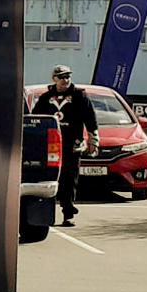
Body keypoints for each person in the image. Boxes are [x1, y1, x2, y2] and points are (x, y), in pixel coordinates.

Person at [31, 64, 99, 227]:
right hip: (49, 148)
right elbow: (35, 119)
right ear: (54, 79)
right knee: (47, 180)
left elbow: (91, 119)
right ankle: (43, 214)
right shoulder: (45, 97)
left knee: (69, 181)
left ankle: (68, 213)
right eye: (61, 77)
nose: (65, 80)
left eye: (68, 76)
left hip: (72, 146)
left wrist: (93, 141)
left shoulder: (79, 97)